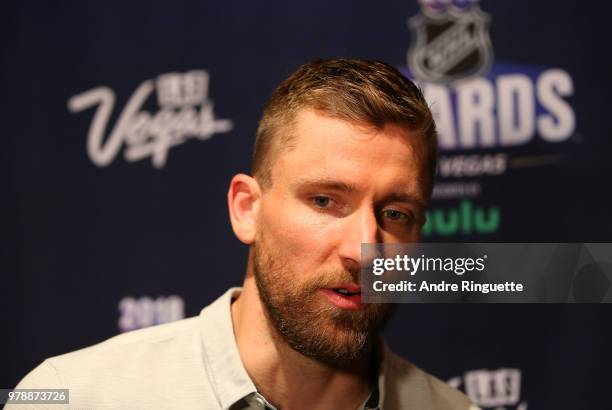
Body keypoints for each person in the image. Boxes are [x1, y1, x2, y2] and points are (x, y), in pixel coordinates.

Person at [10, 59, 475, 410]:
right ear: (246, 209)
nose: (362, 249)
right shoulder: (76, 398)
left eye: (395, 213)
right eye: (324, 201)